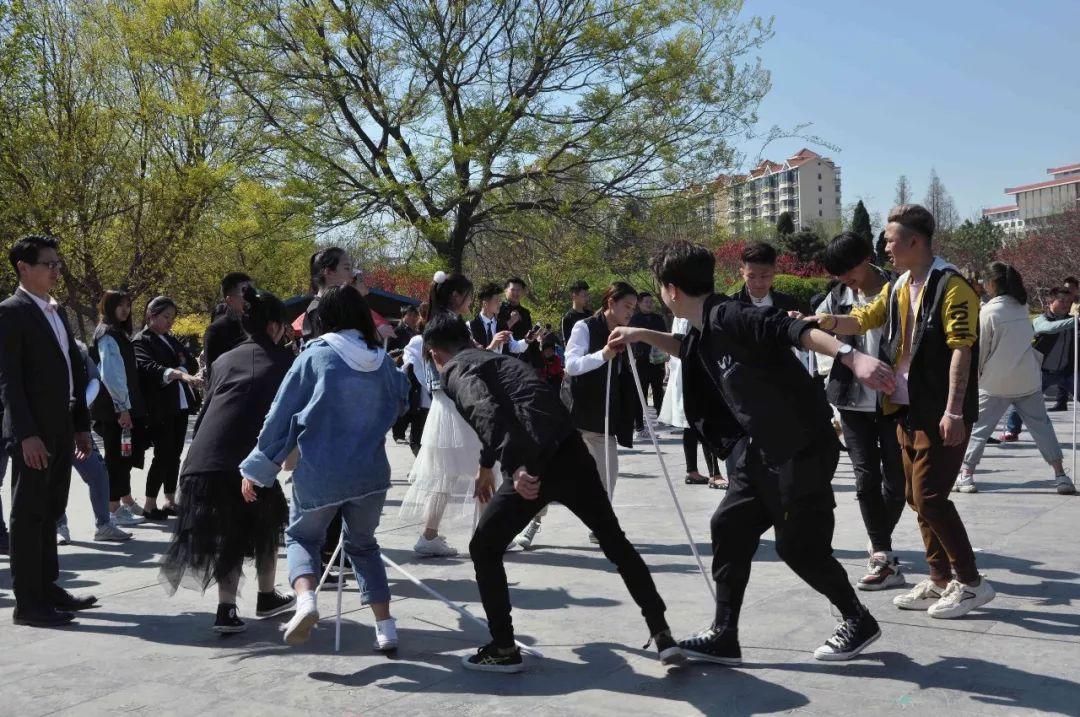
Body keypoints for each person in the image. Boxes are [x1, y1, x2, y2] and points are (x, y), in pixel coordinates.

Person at [610, 239, 894, 663]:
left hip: (801, 448)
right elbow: (686, 350)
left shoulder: (730, 315)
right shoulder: (705, 329)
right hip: (761, 453)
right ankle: (725, 635)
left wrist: (851, 357)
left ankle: (857, 619)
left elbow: (790, 328)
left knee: (798, 548)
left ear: (671, 290)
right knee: (729, 526)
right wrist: (640, 334)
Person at [422, 313, 683, 672]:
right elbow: (507, 409)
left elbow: (485, 410)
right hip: (570, 451)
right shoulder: (499, 360)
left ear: (436, 355)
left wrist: (516, 467)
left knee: (484, 546)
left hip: (533, 463)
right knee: (614, 540)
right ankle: (662, 631)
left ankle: (503, 648)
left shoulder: (455, 370)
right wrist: (487, 466)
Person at [817, 204, 996, 620]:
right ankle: (937, 579)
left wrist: (954, 411)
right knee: (917, 497)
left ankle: (970, 582)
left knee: (931, 497)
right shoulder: (899, 286)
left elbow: (962, 350)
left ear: (914, 241)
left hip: (939, 411)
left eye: (890, 239)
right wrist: (822, 321)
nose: (884, 246)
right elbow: (864, 319)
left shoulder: (952, 285)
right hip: (904, 407)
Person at [240, 285, 408, 648]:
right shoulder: (380, 358)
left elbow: (282, 415)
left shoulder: (316, 355)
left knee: (302, 537)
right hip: (371, 472)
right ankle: (386, 628)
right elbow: (402, 399)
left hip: (322, 472)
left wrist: (258, 468)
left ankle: (306, 602)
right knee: (363, 546)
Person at [161, 288, 296, 633]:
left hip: (202, 457)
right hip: (245, 459)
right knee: (263, 524)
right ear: (275, 326)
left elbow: (210, 408)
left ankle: (240, 605)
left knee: (237, 529)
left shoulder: (223, 360)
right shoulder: (284, 361)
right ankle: (250, 601)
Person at [0, 235, 97, 627]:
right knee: (29, 515)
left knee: (52, 510)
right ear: (24, 268)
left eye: (58, 263)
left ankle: (48, 587)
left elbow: (73, 372)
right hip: (33, 433)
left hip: (62, 427)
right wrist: (26, 435)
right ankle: (29, 603)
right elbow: (9, 381)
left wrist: (81, 426)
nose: (57, 270)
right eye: (48, 264)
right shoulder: (11, 312)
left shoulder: (57, 312)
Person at [817, 232, 906, 591]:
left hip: (894, 398)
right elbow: (821, 336)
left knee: (898, 480)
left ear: (868, 258)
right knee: (865, 476)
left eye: (848, 270)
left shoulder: (898, 288)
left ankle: (878, 536)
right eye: (838, 273)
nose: (845, 279)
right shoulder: (837, 296)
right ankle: (882, 552)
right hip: (852, 399)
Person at [954, 263, 1075, 496]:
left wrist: (975, 377)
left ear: (992, 284)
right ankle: (1061, 475)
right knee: (1042, 427)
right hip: (1027, 378)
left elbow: (982, 349)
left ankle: (966, 474)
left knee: (979, 429)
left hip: (995, 381)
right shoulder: (1022, 307)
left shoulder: (989, 312)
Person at [401, 272, 488, 558]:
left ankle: (430, 535)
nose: (470, 302)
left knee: (445, 475)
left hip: (442, 406)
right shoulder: (452, 325)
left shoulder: (432, 324)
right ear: (455, 296)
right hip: (458, 403)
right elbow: (464, 362)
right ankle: (488, 531)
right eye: (468, 296)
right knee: (484, 467)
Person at [557, 282, 639, 545]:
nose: (630, 313)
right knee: (552, 476)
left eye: (633, 308)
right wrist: (603, 354)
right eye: (627, 306)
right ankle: (533, 522)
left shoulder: (623, 332)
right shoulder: (584, 327)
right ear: (611, 302)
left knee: (608, 473)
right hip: (574, 414)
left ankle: (600, 527)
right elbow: (571, 365)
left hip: (602, 418)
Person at [56, 342, 133, 544]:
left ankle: (104, 524)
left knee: (98, 473)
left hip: (77, 425)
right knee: (55, 478)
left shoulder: (79, 350)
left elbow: (94, 381)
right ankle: (58, 525)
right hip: (49, 426)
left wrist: (78, 409)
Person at [135, 297, 202, 520]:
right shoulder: (142, 341)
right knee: (162, 454)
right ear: (151, 315)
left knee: (174, 454)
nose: (169, 322)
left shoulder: (169, 339)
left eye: (172, 318)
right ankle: (149, 503)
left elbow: (190, 362)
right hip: (159, 406)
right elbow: (149, 368)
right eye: (165, 317)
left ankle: (170, 499)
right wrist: (177, 372)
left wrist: (181, 368)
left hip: (179, 404)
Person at [90, 290, 148, 528]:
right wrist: (123, 407)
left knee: (123, 456)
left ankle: (122, 502)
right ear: (107, 307)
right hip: (115, 409)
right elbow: (112, 375)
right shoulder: (108, 334)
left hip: (121, 408)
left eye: (128, 305)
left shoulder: (118, 333)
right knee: (116, 458)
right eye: (120, 305)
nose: (125, 310)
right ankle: (113, 510)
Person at [657, 316, 724, 489]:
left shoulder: (692, 310)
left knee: (695, 422)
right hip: (688, 371)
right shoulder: (684, 313)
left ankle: (698, 471)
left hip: (694, 370)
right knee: (696, 422)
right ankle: (712, 473)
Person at [1001, 287, 1076, 439]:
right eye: (1061, 300)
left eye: (1068, 301)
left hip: (1067, 372)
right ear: (1050, 302)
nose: (1066, 304)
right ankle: (1012, 431)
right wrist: (1076, 320)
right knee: (1022, 399)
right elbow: (1049, 328)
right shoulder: (1040, 320)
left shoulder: (1073, 322)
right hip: (1042, 371)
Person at [628, 292, 668, 440]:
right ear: (639, 303)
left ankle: (662, 417)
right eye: (646, 302)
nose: (650, 304)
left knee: (658, 390)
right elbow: (633, 340)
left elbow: (664, 336)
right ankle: (639, 426)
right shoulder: (634, 319)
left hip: (657, 361)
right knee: (641, 394)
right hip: (641, 361)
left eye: (651, 302)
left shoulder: (658, 319)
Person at [202, 272, 252, 382]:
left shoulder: (259, 323)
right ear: (230, 300)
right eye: (245, 293)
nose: (252, 297)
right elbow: (214, 376)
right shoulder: (215, 331)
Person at [732, 242, 805, 313]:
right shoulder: (731, 305)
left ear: (774, 272)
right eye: (751, 276)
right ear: (742, 273)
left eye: (764, 276)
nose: (758, 283)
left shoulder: (788, 302)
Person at [469, 282, 529, 356]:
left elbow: (513, 346)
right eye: (496, 300)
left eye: (500, 301)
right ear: (485, 303)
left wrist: (527, 340)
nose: (500, 304)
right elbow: (471, 356)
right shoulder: (470, 326)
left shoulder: (501, 325)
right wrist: (493, 345)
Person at [497, 278, 536, 364]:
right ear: (505, 291)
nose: (516, 293)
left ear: (522, 292)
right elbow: (496, 331)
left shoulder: (525, 313)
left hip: (523, 357)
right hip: (503, 356)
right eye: (512, 290)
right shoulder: (498, 309)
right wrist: (511, 321)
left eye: (518, 290)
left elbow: (528, 334)